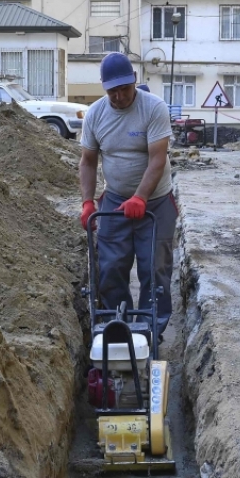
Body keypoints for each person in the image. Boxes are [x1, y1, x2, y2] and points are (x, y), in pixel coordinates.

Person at [79, 53, 177, 336]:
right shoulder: (96, 114)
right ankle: (115, 325)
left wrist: (141, 197)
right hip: (115, 200)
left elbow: (157, 159)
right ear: (104, 87)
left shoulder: (153, 108)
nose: (119, 96)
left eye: (124, 88)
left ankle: (150, 331)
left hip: (155, 202)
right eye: (113, 90)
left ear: (134, 80)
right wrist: (87, 202)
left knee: (154, 269)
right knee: (111, 267)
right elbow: (87, 161)